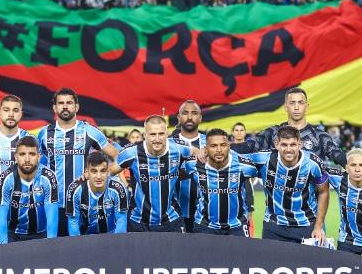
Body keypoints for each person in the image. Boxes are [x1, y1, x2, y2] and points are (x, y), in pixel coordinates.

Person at [37, 88, 120, 236]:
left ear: (76, 107)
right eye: (61, 103)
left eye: (69, 103)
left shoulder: (90, 131)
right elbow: (38, 164)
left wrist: (100, 175)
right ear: (54, 108)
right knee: (54, 251)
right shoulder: (44, 133)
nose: (65, 106)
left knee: (83, 253)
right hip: (53, 204)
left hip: (84, 204)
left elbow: (119, 157)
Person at [109, 115, 200, 232]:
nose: (157, 139)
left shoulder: (178, 148)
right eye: (152, 134)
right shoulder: (131, 153)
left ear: (167, 134)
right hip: (139, 221)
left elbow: (197, 153)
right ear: (145, 135)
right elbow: (109, 172)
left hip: (171, 220)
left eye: (161, 134)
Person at [244, 125, 329, 244]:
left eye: (293, 145)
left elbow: (323, 191)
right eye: (284, 144)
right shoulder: (263, 159)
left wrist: (319, 227)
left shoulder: (313, 163)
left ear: (300, 144)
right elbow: (234, 164)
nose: (288, 149)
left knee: (305, 263)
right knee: (270, 263)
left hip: (306, 225)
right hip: (274, 226)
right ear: (276, 144)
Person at [183, 129, 258, 236]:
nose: (219, 150)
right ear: (206, 148)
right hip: (205, 226)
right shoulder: (193, 164)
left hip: (237, 226)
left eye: (223, 145)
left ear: (229, 146)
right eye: (213, 146)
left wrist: (250, 208)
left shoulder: (245, 166)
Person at [249, 88, 347, 168]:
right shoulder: (272, 133)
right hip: (279, 190)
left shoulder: (320, 136)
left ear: (307, 107)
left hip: (311, 191)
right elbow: (247, 147)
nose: (296, 107)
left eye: (300, 102)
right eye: (292, 103)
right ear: (286, 107)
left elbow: (342, 158)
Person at [0, 137, 59, 243]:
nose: (27, 159)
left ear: (39, 157)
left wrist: (50, 244)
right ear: (16, 157)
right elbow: (1, 218)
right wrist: (3, 247)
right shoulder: (5, 178)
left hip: (42, 234)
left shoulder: (48, 177)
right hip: (14, 235)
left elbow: (52, 217)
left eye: (32, 154)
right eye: (22, 154)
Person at [67, 151, 129, 235]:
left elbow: (121, 220)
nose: (98, 176)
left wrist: (117, 245)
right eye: (94, 171)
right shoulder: (75, 190)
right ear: (87, 172)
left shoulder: (118, 188)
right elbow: (73, 222)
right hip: (85, 237)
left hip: (112, 236)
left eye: (103, 171)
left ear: (108, 172)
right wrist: (78, 245)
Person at [171, 100, 206, 233]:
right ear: (179, 118)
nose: (190, 117)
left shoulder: (211, 144)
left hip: (204, 215)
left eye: (194, 113)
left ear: (200, 117)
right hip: (175, 214)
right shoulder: (169, 144)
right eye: (185, 113)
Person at [229, 122, 256, 237]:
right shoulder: (228, 148)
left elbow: (254, 168)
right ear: (232, 132)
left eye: (241, 130)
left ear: (245, 132)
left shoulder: (250, 147)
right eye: (236, 130)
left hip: (246, 183)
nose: (239, 132)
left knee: (248, 211)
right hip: (231, 182)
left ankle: (248, 232)